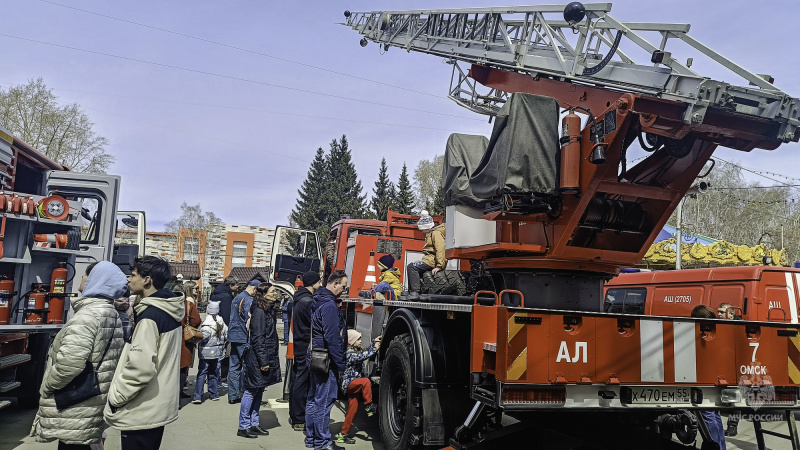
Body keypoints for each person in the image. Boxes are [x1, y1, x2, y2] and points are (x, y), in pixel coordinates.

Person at [30, 261, 127, 450]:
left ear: (94, 280)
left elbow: (70, 364)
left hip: (75, 404)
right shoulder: (110, 312)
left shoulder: (87, 316)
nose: (82, 278)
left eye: (85, 274)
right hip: (90, 402)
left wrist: (48, 386)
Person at [104, 256, 185, 450]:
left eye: (133, 275)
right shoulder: (169, 310)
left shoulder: (150, 316)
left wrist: (116, 397)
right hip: (156, 407)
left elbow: (140, 368)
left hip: (142, 408)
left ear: (147, 280)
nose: (128, 280)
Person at [307, 270, 349, 450]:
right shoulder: (330, 306)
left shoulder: (318, 300)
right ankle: (322, 443)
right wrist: (340, 365)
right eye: (343, 286)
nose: (344, 290)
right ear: (334, 284)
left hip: (316, 355)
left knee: (313, 399)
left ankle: (312, 438)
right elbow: (332, 337)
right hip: (327, 359)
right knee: (324, 401)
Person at [238, 283, 282, 438]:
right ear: (263, 294)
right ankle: (243, 426)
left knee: (259, 390)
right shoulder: (260, 311)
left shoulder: (267, 310)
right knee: (251, 391)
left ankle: (254, 423)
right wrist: (263, 361)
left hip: (264, 356)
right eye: (273, 291)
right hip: (257, 359)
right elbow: (257, 338)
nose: (275, 293)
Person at [289, 271, 322, 432]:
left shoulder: (299, 298)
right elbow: (314, 323)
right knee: (302, 382)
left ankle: (294, 414)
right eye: (318, 281)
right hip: (305, 345)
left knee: (297, 379)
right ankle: (299, 417)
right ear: (313, 283)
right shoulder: (308, 301)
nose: (320, 284)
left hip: (299, 343)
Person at [691, 304, 727, 450]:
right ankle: (721, 447)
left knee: (708, 415)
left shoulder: (700, 334)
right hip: (717, 378)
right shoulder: (718, 331)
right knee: (715, 414)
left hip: (704, 379)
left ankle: (716, 446)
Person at [335, 330, 381, 445]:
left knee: (352, 410)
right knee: (366, 382)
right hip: (349, 384)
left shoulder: (356, 350)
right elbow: (363, 356)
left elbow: (364, 352)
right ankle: (368, 406)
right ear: (351, 341)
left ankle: (343, 434)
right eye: (358, 339)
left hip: (354, 384)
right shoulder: (349, 352)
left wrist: (373, 342)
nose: (360, 341)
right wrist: (375, 348)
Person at [228, 279, 261, 404]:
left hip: (233, 335)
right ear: (254, 289)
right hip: (243, 336)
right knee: (247, 365)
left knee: (234, 366)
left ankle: (232, 395)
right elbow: (249, 320)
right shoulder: (248, 300)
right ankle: (247, 393)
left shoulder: (236, 298)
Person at [406, 210, 446, 299]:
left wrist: (439, 266)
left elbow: (440, 249)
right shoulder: (431, 233)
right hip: (430, 259)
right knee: (415, 268)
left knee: (412, 267)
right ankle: (413, 291)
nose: (421, 232)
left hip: (432, 260)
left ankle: (414, 292)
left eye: (422, 229)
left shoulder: (435, 233)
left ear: (426, 227)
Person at [193, 301, 228, 403]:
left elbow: (204, 337)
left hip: (206, 352)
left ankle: (198, 396)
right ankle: (213, 394)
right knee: (214, 372)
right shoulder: (222, 322)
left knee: (202, 373)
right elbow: (226, 335)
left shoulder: (207, 324)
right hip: (218, 351)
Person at [717, 302, 741, 436]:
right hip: (722, 364)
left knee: (734, 398)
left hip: (734, 366)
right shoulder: (719, 324)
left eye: (722, 312)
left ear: (731, 314)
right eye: (718, 311)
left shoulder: (739, 326)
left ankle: (732, 426)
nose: (719, 314)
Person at [211, 276, 238, 382]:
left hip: (214, 326)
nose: (238, 286)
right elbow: (226, 315)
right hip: (223, 328)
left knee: (215, 353)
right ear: (230, 285)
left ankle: (213, 377)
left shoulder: (216, 293)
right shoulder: (227, 297)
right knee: (225, 354)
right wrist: (228, 332)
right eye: (236, 284)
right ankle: (222, 377)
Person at [180, 282, 202, 399]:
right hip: (184, 337)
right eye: (195, 288)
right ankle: (179, 394)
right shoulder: (188, 303)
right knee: (183, 367)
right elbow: (196, 320)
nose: (197, 290)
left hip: (171, 337)